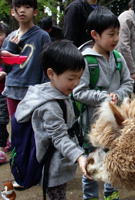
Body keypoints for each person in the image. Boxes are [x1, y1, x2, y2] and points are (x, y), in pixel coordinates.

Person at [14, 40, 89, 200]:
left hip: (58, 163)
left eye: (79, 78)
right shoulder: (50, 106)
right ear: (51, 74)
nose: (76, 83)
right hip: (52, 169)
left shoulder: (60, 91)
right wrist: (80, 156)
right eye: (71, 78)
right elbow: (60, 138)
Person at [73, 7, 133, 200]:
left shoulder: (118, 57)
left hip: (115, 124)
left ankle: (111, 194)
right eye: (111, 34)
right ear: (95, 35)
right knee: (92, 163)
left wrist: (118, 94)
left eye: (118, 33)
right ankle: (90, 196)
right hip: (93, 126)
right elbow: (78, 91)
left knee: (113, 160)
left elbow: (128, 82)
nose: (116, 39)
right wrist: (104, 97)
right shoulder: (85, 60)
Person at [1, 0, 51, 117]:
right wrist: (10, 48)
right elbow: (5, 68)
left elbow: (47, 64)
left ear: (35, 12)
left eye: (27, 7)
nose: (22, 10)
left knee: (33, 129)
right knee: (16, 126)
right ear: (13, 12)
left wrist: (45, 91)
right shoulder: (10, 37)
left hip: (33, 91)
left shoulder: (42, 36)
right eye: (18, 7)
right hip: (12, 89)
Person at [0, 22, 10, 164]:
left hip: (4, 92)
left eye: (1, 34)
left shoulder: (7, 51)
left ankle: (2, 148)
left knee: (2, 120)